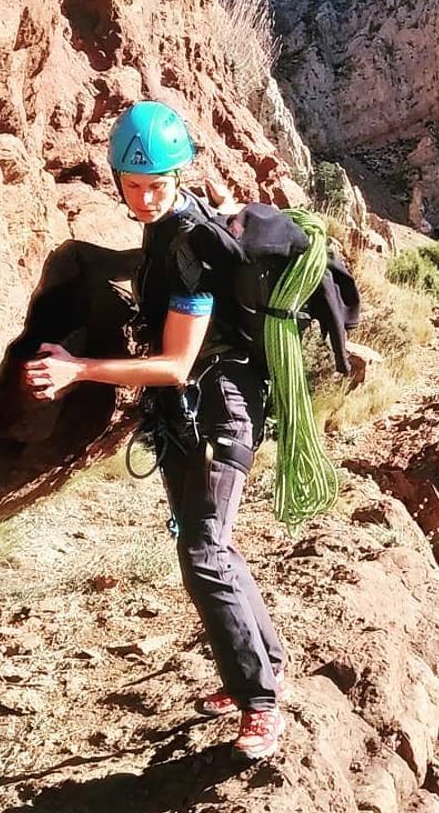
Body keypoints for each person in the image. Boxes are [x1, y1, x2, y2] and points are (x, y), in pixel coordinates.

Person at [24, 101, 286, 761]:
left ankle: (260, 704)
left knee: (204, 553)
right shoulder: (162, 224)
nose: (145, 197)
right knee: (214, 544)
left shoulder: (188, 242)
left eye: (157, 184)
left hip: (217, 408)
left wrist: (79, 370)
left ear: (178, 175)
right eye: (134, 185)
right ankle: (261, 665)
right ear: (117, 180)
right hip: (193, 411)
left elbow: (173, 365)